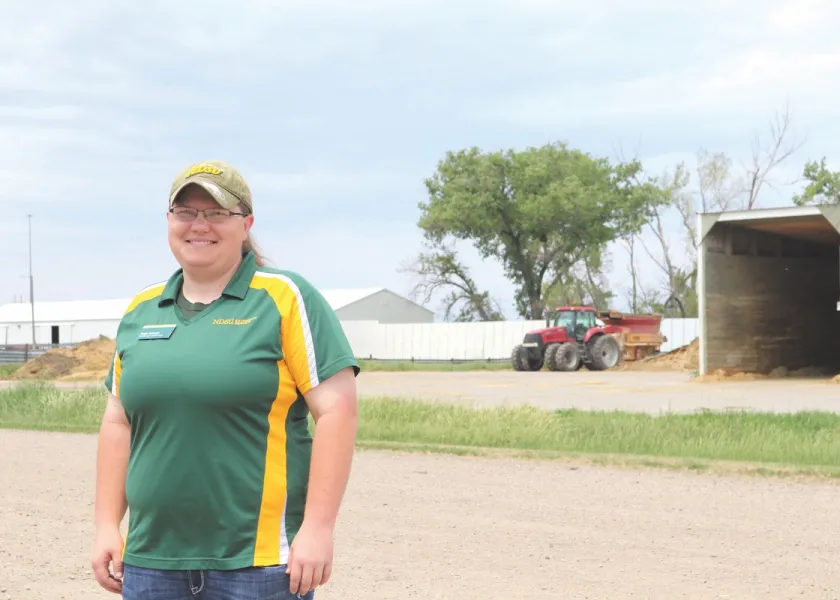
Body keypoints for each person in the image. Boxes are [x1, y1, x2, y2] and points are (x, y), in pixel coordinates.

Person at [90, 160, 360, 599]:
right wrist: (106, 525)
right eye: (186, 212)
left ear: (246, 223)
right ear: (169, 221)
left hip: (259, 567)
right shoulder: (141, 311)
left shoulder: (285, 298)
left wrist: (317, 529)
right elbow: (118, 422)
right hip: (151, 563)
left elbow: (338, 411)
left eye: (217, 213)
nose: (199, 225)